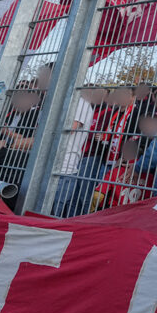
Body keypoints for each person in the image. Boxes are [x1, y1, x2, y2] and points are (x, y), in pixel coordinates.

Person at [51, 85, 107, 217]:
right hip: (56, 166)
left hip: (65, 167)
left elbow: (69, 129)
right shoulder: (65, 102)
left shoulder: (81, 104)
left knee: (53, 210)